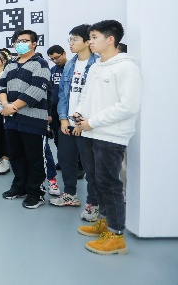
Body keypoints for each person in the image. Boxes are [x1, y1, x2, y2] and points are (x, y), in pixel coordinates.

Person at [75, 20, 141, 256]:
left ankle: (116, 236)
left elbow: (128, 106)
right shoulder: (96, 66)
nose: (90, 41)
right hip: (90, 131)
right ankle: (104, 222)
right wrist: (79, 114)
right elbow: (85, 96)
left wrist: (92, 121)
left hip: (111, 136)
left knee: (109, 183)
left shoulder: (126, 67)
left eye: (94, 37)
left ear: (110, 39)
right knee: (95, 180)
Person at [50, 25, 100, 222]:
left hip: (87, 125)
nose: (70, 43)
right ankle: (70, 194)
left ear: (87, 41)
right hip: (67, 123)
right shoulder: (70, 65)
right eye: (70, 39)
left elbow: (96, 98)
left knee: (90, 167)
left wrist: (80, 123)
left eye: (75, 39)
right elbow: (63, 94)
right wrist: (63, 118)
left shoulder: (98, 64)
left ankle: (93, 204)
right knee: (66, 160)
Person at [0, 30, 51, 209]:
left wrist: (12, 106)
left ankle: (36, 193)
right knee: (16, 155)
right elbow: (1, 86)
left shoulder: (40, 64)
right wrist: (6, 104)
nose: (20, 44)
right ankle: (19, 186)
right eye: (18, 41)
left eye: (25, 41)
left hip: (33, 119)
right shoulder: (10, 64)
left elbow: (37, 90)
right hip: (12, 120)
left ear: (34, 44)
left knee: (35, 158)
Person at [47, 44, 67, 155]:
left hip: (68, 109)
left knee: (70, 138)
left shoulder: (72, 67)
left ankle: (76, 163)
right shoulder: (53, 70)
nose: (55, 61)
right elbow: (49, 91)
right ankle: (62, 160)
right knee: (57, 138)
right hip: (54, 109)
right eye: (52, 59)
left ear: (64, 53)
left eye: (57, 57)